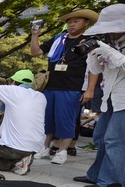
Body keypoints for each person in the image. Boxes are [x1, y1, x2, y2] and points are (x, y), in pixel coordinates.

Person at [30, 9, 99, 165]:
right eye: (69, 21)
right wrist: (35, 34)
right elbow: (35, 52)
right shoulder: (58, 39)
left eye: (76, 21)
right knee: (48, 119)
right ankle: (45, 147)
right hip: (51, 85)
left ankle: (62, 151)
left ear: (86, 23)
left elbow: (95, 66)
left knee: (65, 120)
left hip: (71, 87)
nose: (71, 24)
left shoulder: (89, 41)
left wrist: (90, 90)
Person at [76, 4, 125, 187]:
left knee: (116, 140)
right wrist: (93, 55)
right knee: (102, 136)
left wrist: (110, 52)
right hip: (111, 96)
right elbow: (98, 70)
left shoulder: (113, 46)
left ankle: (111, 184)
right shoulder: (109, 42)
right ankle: (96, 175)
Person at [0, 70, 46, 175]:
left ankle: (14, 162)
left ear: (13, 82)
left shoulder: (13, 90)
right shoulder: (41, 96)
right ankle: (20, 161)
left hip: (11, 146)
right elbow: (7, 109)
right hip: (34, 147)